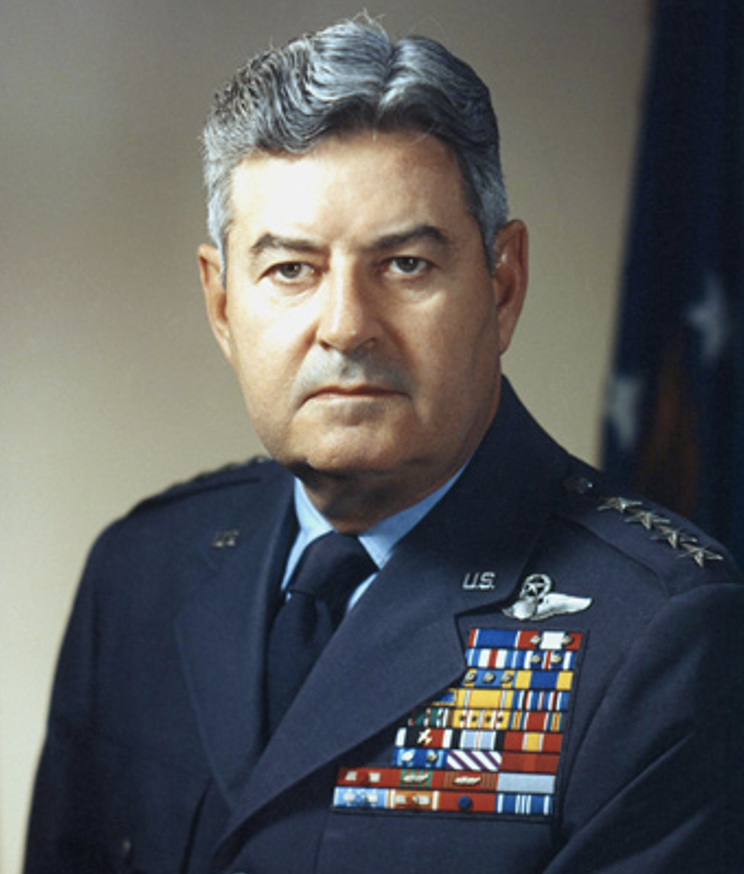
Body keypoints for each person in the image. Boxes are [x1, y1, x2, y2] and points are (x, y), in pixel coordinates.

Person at [24, 15, 744, 874]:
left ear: (502, 285)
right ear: (223, 305)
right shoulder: (142, 571)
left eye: (405, 265)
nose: (346, 327)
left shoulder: (660, 638)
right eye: (291, 269)